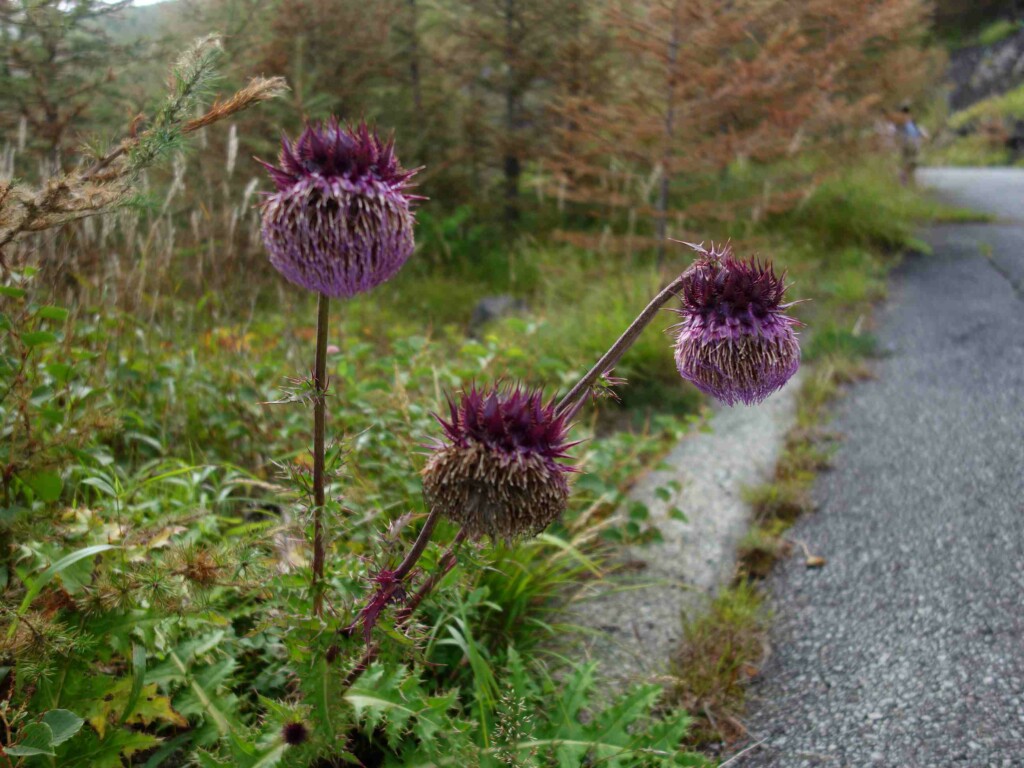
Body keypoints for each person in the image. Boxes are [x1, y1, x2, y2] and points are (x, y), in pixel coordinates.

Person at [894, 104, 928, 186]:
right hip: (907, 144)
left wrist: (922, 137)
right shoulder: (900, 124)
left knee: (912, 163)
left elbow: (918, 133)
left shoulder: (912, 123)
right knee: (909, 161)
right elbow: (897, 134)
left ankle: (905, 179)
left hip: (914, 144)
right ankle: (903, 177)